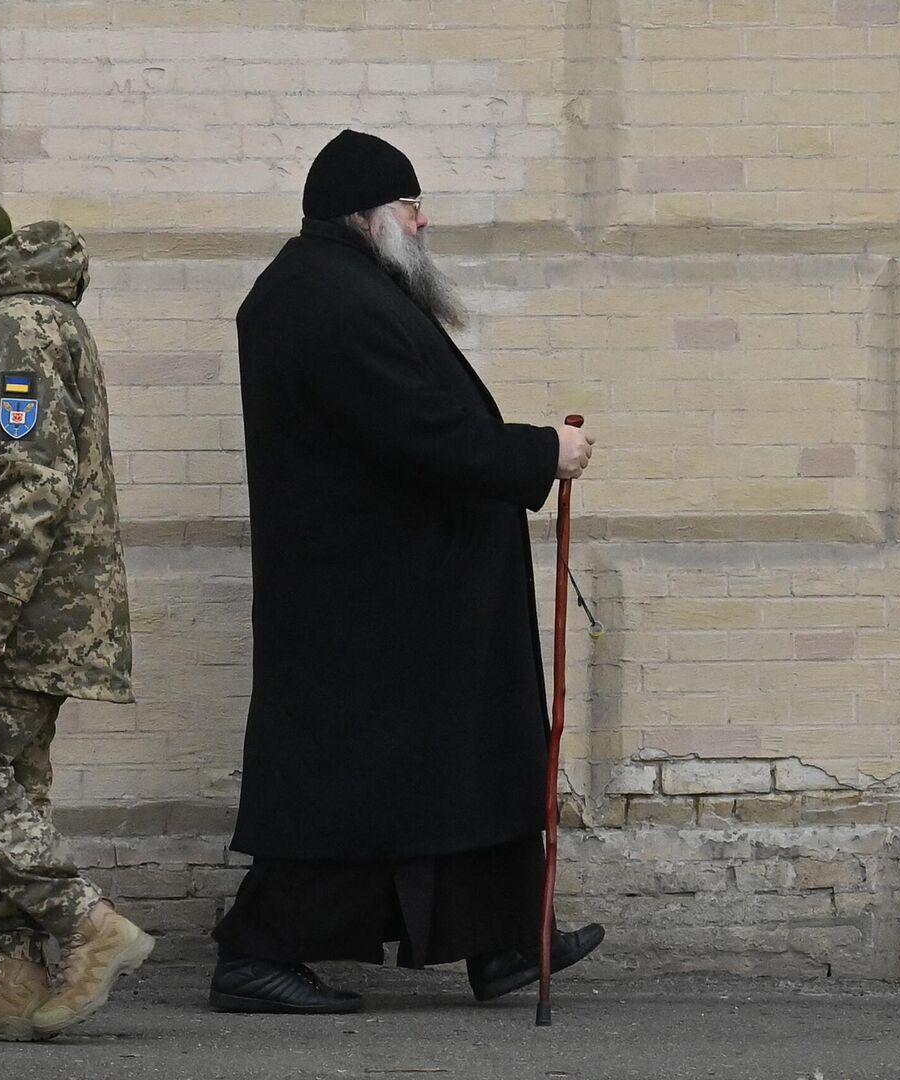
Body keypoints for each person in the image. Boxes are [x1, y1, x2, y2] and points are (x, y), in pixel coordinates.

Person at [211, 130, 606, 1014]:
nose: (423, 219)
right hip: (374, 601)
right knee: (358, 785)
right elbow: (420, 431)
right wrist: (544, 451)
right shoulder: (331, 302)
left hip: (399, 592)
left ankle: (503, 940)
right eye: (410, 204)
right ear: (366, 213)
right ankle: (256, 951)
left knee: (454, 767)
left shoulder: (330, 287)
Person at [0, 183, 150, 1042]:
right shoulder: (29, 318)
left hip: (35, 611)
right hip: (43, 605)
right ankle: (17, 971)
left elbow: (28, 482)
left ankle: (88, 925)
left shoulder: (16, 328)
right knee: (14, 788)